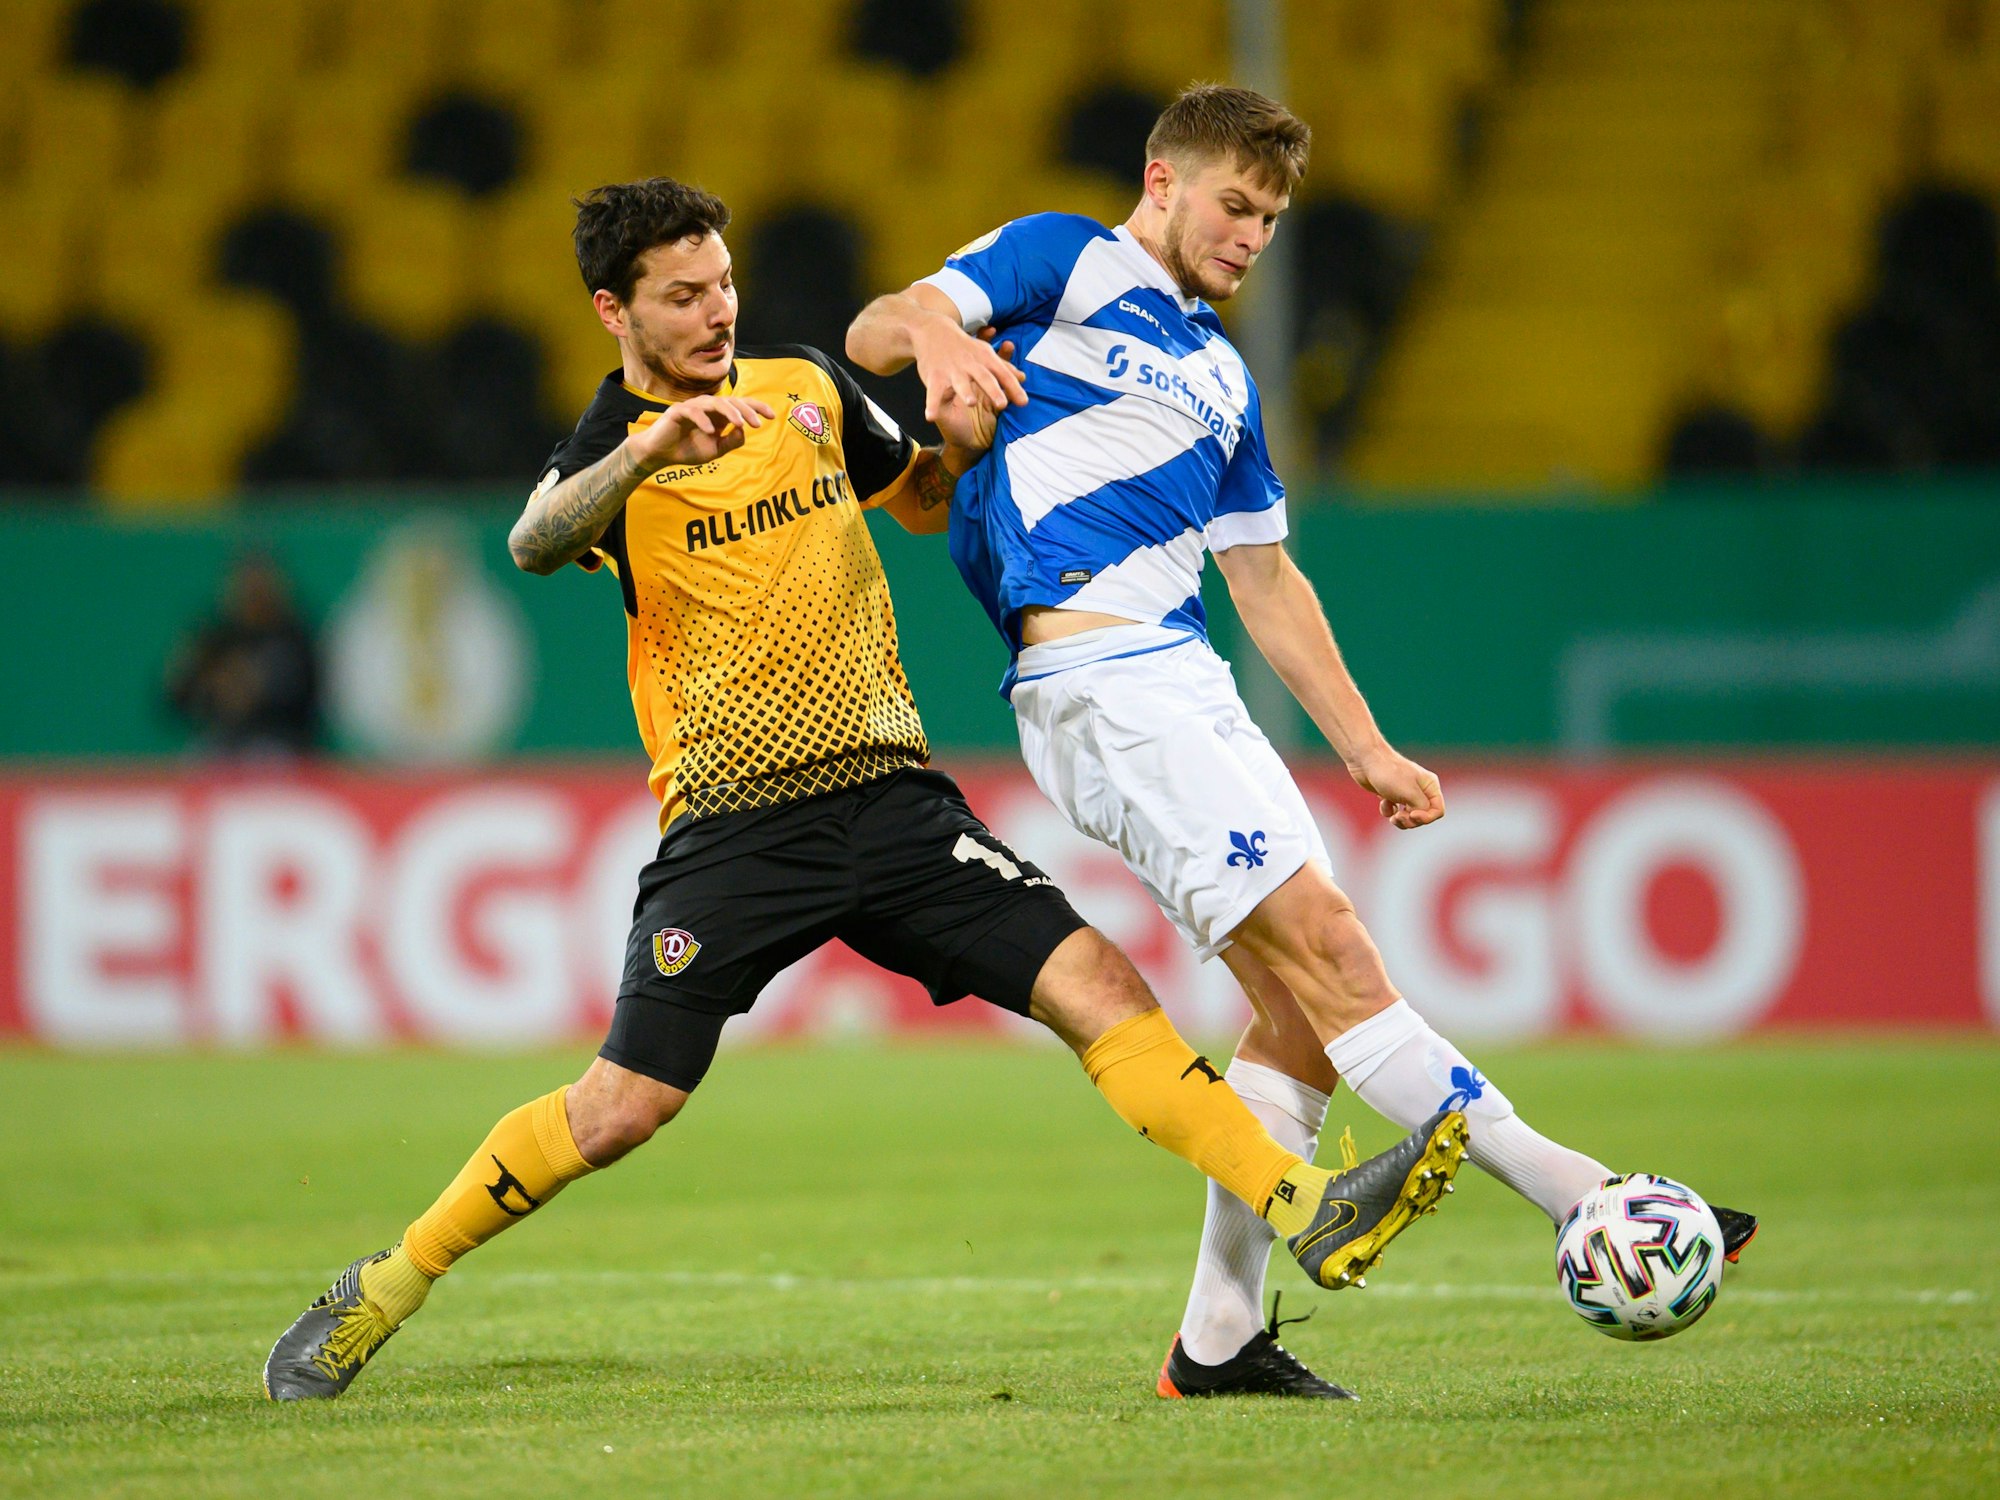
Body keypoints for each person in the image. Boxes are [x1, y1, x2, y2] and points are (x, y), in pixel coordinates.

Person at [261, 176, 1469, 1402]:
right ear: (611, 313)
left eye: (721, 283)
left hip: (894, 804)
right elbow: (531, 539)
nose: (714, 311)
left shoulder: (803, 388)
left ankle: (1305, 1202)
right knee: (620, 1109)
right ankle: (387, 1286)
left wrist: (970, 426)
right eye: (680, 297)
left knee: (1098, 985)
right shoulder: (610, 455)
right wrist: (642, 453)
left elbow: (928, 497)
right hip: (734, 834)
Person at [847, 84, 1760, 1402]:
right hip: (1104, 680)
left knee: (1300, 1011)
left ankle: (1216, 1340)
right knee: (1334, 953)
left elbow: (1268, 582)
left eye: (1270, 218)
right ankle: (1588, 1196)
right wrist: (936, 340)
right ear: (1162, 181)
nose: (1251, 234)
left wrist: (1368, 748)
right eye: (1233, 204)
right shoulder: (1066, 260)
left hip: (1184, 676)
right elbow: (880, 322)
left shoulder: (1223, 377)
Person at [164, 552, 321, 756]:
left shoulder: (294, 637)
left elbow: (309, 701)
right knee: (200, 758)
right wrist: (200, 682)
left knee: (267, 756)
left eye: (260, 586)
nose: (253, 593)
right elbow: (176, 699)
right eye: (247, 586)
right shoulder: (218, 637)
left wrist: (255, 690)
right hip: (223, 741)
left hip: (279, 742)